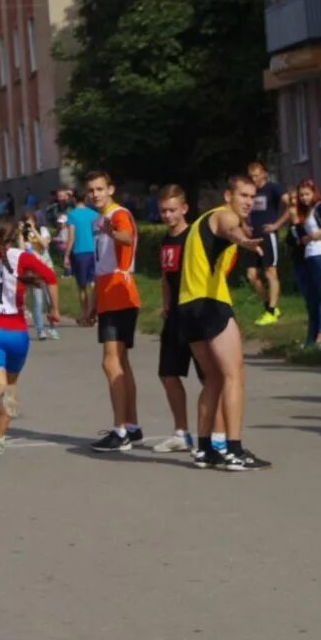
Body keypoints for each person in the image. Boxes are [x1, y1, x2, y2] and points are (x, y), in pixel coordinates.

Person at [178, 175, 270, 470]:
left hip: (187, 307)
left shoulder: (201, 220)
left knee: (214, 379)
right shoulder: (223, 215)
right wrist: (242, 239)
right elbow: (229, 228)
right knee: (234, 375)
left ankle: (205, 449)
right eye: (242, 195)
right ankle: (234, 449)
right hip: (209, 304)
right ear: (227, 194)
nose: (247, 202)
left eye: (251, 196)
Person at [0, 215, 60, 458]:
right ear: (14, 235)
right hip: (18, 334)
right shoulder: (22, 257)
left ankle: (1, 407)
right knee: (10, 387)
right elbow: (51, 277)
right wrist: (54, 310)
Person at [83, 171, 144, 453]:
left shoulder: (118, 214)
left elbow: (127, 237)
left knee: (110, 363)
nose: (95, 194)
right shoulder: (98, 219)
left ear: (111, 189)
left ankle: (120, 431)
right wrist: (94, 303)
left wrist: (113, 232)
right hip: (108, 293)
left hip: (120, 290)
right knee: (120, 362)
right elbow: (101, 264)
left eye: (100, 189)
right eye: (91, 190)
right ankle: (131, 425)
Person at [152, 186, 202, 454]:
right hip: (175, 316)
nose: (168, 215)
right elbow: (165, 276)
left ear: (184, 208)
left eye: (172, 210)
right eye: (163, 211)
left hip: (196, 312)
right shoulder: (165, 240)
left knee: (208, 376)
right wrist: (166, 304)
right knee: (168, 373)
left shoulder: (195, 236)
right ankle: (181, 432)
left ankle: (213, 435)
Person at [281, 180, 321, 349]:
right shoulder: (304, 213)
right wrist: (309, 236)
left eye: (306, 194)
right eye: (300, 196)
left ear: (314, 193)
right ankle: (312, 338)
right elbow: (295, 240)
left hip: (320, 255)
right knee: (313, 300)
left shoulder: (319, 208)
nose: (303, 198)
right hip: (308, 257)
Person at [246, 161, 285, 325]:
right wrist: (244, 225)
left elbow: (290, 205)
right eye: (251, 176)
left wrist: (276, 225)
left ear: (263, 174)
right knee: (251, 275)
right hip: (252, 238)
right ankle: (270, 304)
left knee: (270, 272)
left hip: (268, 236)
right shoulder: (250, 192)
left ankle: (270, 311)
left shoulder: (273, 188)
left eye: (256, 175)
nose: (253, 179)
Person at [18, 212, 56, 340]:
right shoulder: (22, 234)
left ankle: (52, 327)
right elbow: (21, 250)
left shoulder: (43, 230)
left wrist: (34, 230)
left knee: (50, 301)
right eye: (26, 221)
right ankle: (40, 330)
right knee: (38, 301)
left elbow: (45, 245)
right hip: (33, 272)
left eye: (30, 221)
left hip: (47, 267)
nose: (28, 224)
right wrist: (20, 233)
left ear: (35, 220)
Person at [63, 191, 98, 321]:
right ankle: (95, 311)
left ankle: (85, 314)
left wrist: (66, 255)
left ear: (73, 200)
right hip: (94, 251)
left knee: (82, 286)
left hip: (79, 253)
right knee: (94, 283)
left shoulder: (71, 215)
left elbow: (71, 237)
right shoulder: (94, 214)